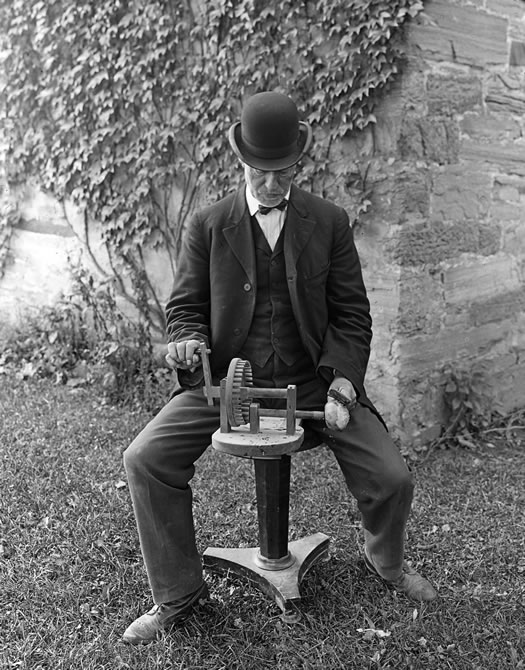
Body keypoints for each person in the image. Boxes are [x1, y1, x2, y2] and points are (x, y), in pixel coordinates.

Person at [122, 91, 437, 645]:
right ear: (241, 161)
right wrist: (188, 342)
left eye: (283, 172)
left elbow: (352, 315)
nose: (272, 184)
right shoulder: (206, 224)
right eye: (260, 172)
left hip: (314, 383)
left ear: (299, 162)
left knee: (391, 478)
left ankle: (384, 562)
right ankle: (178, 593)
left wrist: (342, 382)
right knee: (145, 457)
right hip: (228, 386)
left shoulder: (331, 222)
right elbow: (186, 309)